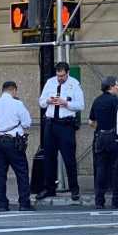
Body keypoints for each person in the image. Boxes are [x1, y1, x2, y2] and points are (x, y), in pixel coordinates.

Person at [37, 61, 84, 202]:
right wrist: (48, 101)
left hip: (65, 125)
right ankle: (49, 188)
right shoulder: (50, 82)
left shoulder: (74, 84)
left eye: (62, 76)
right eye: (58, 76)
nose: (60, 78)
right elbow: (41, 101)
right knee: (49, 158)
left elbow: (81, 105)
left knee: (69, 159)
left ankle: (74, 189)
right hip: (50, 124)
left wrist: (66, 103)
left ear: (67, 73)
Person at [0, 81, 35, 212]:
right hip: (13, 142)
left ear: (3, 90)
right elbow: (27, 123)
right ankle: (24, 203)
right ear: (14, 90)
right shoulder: (17, 104)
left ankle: (2, 204)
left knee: (0, 174)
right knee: (22, 172)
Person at [89, 75, 118, 210]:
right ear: (111, 86)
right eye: (116, 85)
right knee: (117, 169)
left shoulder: (97, 101)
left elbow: (91, 121)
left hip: (100, 137)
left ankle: (99, 201)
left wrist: (101, 129)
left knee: (101, 170)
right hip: (114, 137)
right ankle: (117, 200)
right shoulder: (116, 101)